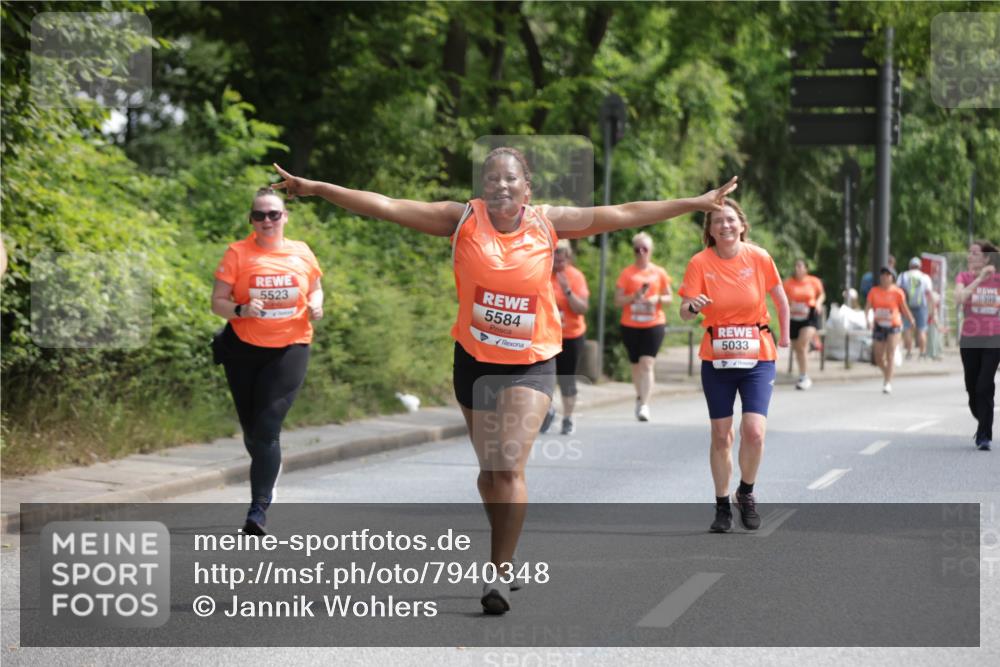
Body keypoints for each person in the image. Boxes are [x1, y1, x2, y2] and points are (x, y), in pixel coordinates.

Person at [272, 152, 737, 614]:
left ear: (526, 188)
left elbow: (624, 213)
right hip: (474, 360)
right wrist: (316, 188)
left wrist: (694, 203)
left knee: (510, 467)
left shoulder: (547, 222)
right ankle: (506, 548)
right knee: (490, 474)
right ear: (482, 186)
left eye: (510, 178)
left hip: (530, 362)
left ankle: (497, 571)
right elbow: (386, 205)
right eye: (491, 178)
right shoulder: (461, 219)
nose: (500, 185)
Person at [211, 187, 324, 535]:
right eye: (259, 215)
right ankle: (268, 469)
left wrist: (317, 304)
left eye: (274, 214)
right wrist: (241, 309)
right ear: (251, 220)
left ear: (284, 217)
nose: (267, 220)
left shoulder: (301, 252)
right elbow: (217, 302)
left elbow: (315, 287)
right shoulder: (237, 253)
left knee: (267, 427)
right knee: (252, 430)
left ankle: (258, 509)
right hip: (243, 349)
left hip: (290, 347)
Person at [677, 199, 789, 534]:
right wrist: (693, 306)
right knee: (722, 435)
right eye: (717, 221)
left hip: (758, 354)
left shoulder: (759, 257)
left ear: (741, 225)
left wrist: (785, 336)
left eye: (729, 220)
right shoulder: (700, 262)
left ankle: (746, 492)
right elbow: (684, 310)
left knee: (754, 432)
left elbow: (780, 298)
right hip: (717, 356)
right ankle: (722, 504)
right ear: (710, 230)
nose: (724, 226)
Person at [614, 232, 672, 421]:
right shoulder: (627, 273)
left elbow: (669, 298)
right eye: (637, 249)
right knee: (636, 365)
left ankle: (645, 405)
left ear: (651, 250)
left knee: (647, 363)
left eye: (644, 249)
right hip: (630, 324)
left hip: (653, 323)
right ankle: (640, 397)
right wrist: (634, 297)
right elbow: (617, 300)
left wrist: (657, 299)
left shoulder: (659, 272)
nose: (641, 253)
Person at [540, 240, 589, 436]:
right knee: (544, 378)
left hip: (571, 335)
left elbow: (582, 308)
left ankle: (568, 418)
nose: (558, 264)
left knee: (567, 379)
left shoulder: (575, 276)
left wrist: (567, 291)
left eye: (562, 260)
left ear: (568, 257)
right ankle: (547, 411)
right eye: (555, 260)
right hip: (546, 336)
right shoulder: (542, 273)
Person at [955, 240, 1000, 451]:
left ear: (986, 258)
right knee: (972, 386)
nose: (970, 256)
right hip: (970, 338)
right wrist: (980, 279)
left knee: (985, 384)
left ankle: (984, 435)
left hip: (994, 337)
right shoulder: (964, 277)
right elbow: (959, 298)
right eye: (969, 252)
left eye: (975, 253)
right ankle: (982, 416)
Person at [865, 267, 915, 394]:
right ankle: (887, 372)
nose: (884, 277)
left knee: (890, 354)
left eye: (887, 274)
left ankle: (887, 382)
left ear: (892, 277)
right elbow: (868, 308)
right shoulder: (874, 291)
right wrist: (868, 320)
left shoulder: (897, 292)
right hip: (879, 325)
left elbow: (904, 308)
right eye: (882, 274)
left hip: (894, 325)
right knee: (878, 357)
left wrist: (911, 319)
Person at [783, 259, 825, 390]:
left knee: (802, 344)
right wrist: (789, 305)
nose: (798, 268)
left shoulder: (813, 281)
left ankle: (804, 376)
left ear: (806, 269)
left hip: (809, 315)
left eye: (800, 266)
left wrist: (818, 303)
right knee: (798, 348)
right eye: (796, 266)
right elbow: (782, 298)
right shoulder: (788, 283)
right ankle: (803, 375)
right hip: (794, 317)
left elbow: (822, 295)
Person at [897, 256, 934, 360]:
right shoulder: (925, 277)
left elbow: (898, 291)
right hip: (921, 306)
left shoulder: (903, 275)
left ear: (910, 266)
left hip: (906, 306)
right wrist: (932, 309)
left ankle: (909, 353)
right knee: (922, 329)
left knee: (907, 329)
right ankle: (922, 353)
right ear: (919, 266)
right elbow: (929, 294)